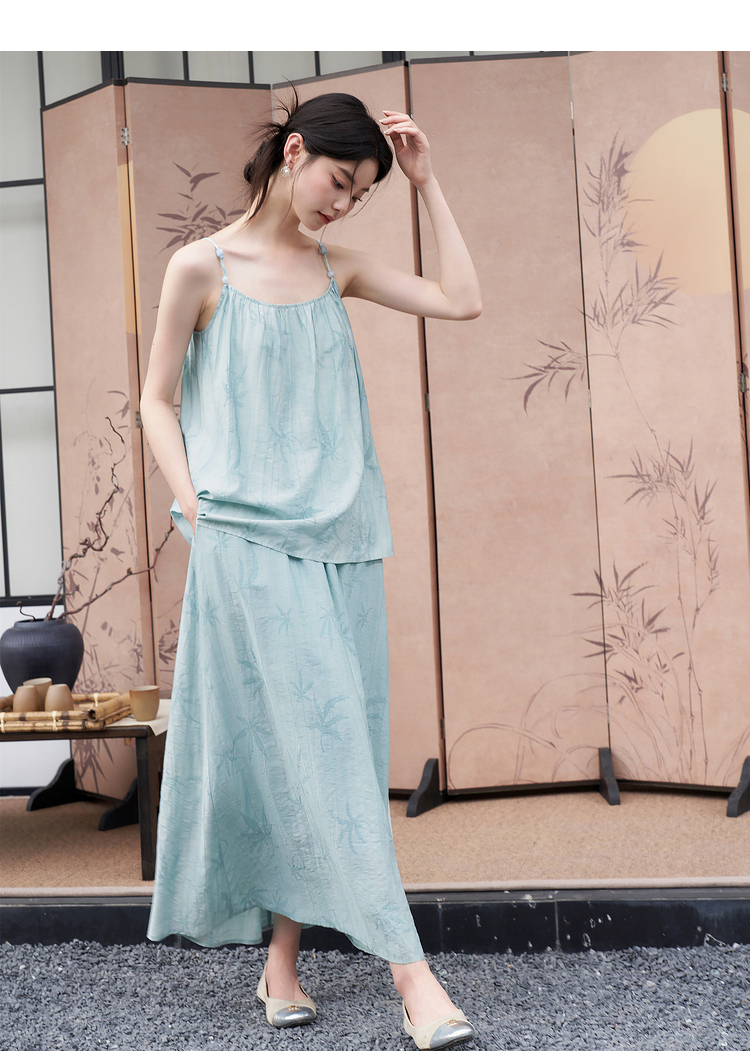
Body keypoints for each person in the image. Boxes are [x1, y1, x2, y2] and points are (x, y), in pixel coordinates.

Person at [140, 90, 481, 1050]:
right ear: (294, 153)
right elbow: (155, 400)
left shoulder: (341, 269)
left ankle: (281, 963)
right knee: (317, 751)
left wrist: (427, 183)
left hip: (345, 540)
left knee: (326, 750)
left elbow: (463, 299)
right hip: (247, 544)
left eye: (361, 194)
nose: (343, 204)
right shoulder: (200, 268)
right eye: (340, 181)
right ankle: (413, 978)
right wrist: (196, 507)